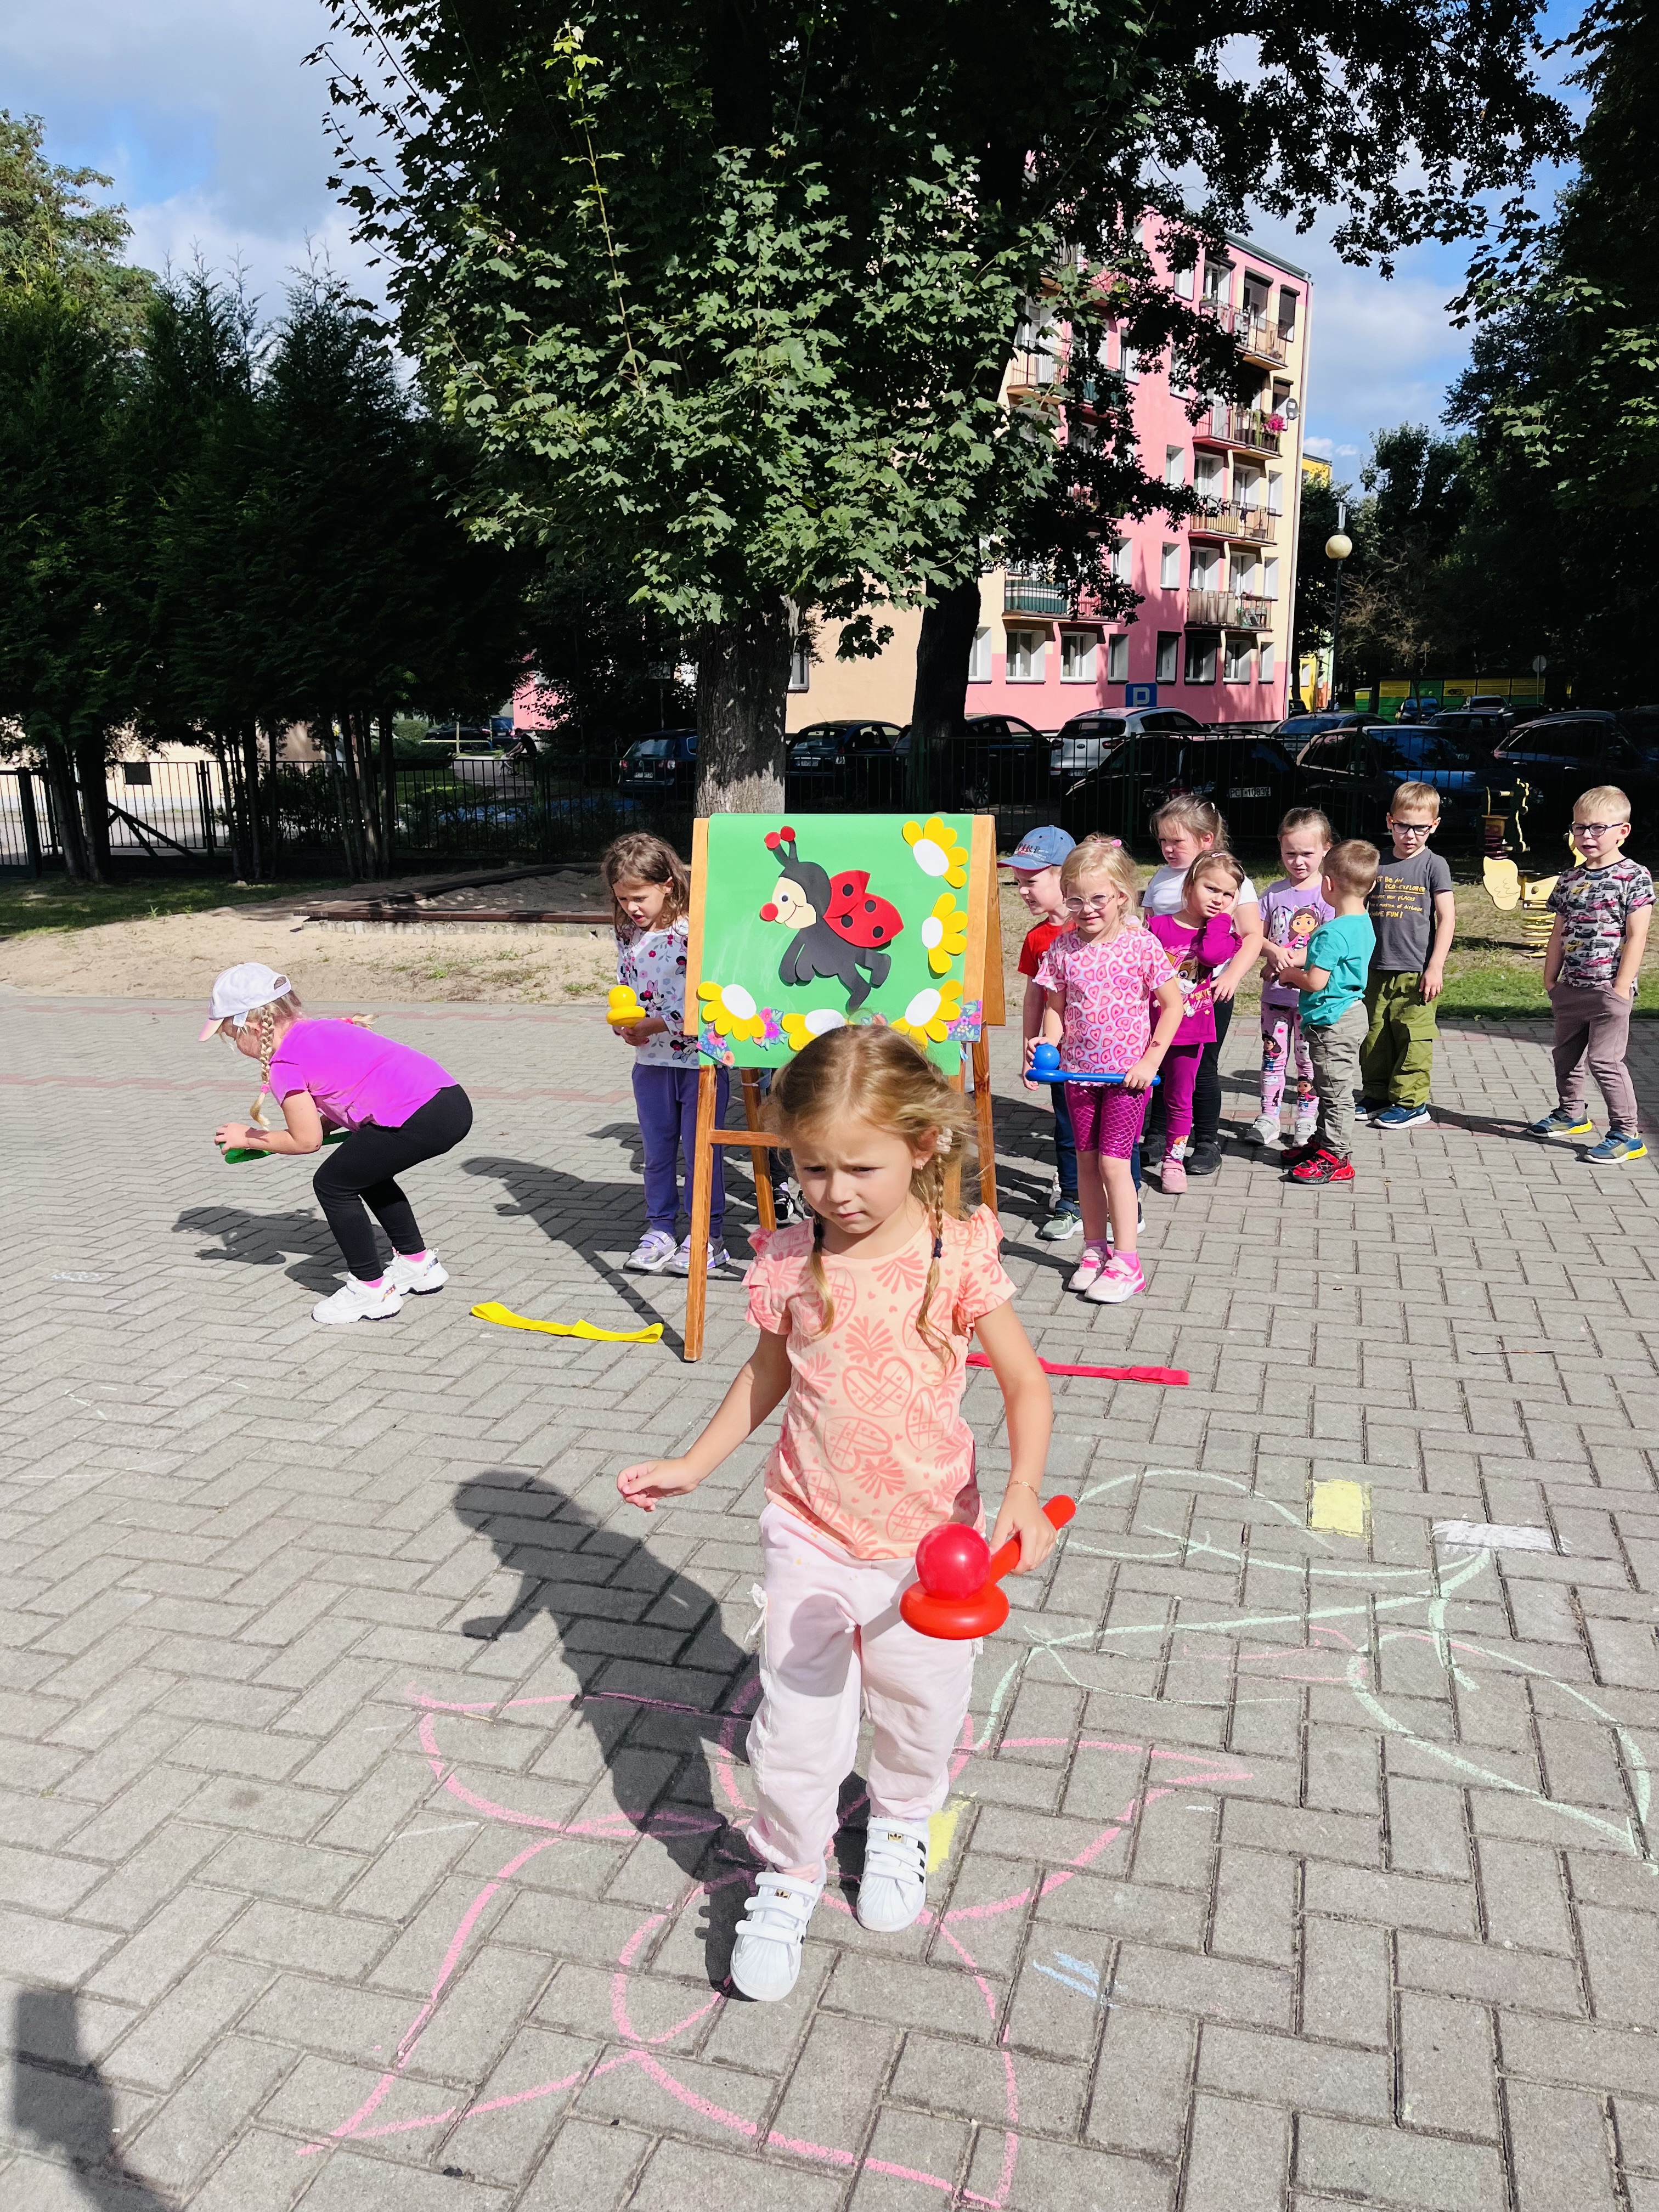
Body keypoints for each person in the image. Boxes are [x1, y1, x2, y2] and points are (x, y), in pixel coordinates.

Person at [616, 1026, 1056, 2001]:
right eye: (812, 1167)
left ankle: (899, 1819)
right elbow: (766, 1372)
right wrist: (695, 1462)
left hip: (929, 1546)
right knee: (795, 1723)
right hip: (809, 1527)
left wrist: (1023, 1491)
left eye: (860, 1167)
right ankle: (789, 1867)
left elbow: (1026, 1383)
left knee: (919, 1706)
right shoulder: (789, 1257)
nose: (835, 1191)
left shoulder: (955, 1252)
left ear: (922, 1145)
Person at [204, 963, 473, 1324]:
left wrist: (249, 1137)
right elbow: (348, 1091)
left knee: (333, 1184)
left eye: (231, 1037)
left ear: (252, 1029)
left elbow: (306, 1141)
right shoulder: (323, 1029)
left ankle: (370, 1290)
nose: (237, 1048)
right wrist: (314, 1127)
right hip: (448, 1102)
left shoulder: (285, 1064)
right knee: (363, 1172)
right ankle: (417, 1265)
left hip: (418, 1116)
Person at [1036, 837, 1182, 1301]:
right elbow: (1055, 1007)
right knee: (1084, 1162)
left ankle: (1128, 1261)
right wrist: (1048, 1043)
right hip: (1078, 1074)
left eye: (1098, 898)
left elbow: (1173, 1005)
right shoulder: (1062, 950)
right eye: (1075, 900)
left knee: (1113, 1164)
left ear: (1121, 895)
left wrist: (1150, 1060)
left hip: (1127, 1078)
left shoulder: (1141, 945)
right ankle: (1094, 1250)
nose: (1087, 910)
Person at [601, 832, 728, 1277]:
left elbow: (707, 997)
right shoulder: (627, 931)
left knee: (700, 1155)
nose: (632, 907)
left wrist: (660, 1023)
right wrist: (624, 1023)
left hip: (700, 1063)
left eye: (639, 897)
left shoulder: (695, 930)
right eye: (623, 898)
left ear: (668, 885)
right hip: (651, 1064)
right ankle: (659, 1229)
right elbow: (626, 987)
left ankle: (708, 1235)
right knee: (657, 1153)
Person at [1141, 798, 1265, 1175]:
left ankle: (1207, 1141)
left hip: (1207, 995)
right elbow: (1148, 932)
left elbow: (1252, 935)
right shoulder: (1161, 879)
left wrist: (1231, 977)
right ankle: (1158, 1136)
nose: (1168, 848)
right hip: (1162, 997)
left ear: (1206, 839)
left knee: (1203, 1068)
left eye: (1177, 841)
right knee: (1162, 1062)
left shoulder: (1231, 880)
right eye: (1163, 841)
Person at [1529, 786, 1652, 1164]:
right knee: (1565, 1057)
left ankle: (1626, 1133)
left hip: (1608, 989)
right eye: (1579, 828)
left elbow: (1637, 935)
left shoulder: (1634, 876)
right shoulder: (1569, 879)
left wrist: (1620, 987)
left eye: (1598, 828)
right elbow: (1558, 933)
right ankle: (1571, 1113)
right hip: (1570, 987)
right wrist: (1551, 981)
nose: (1587, 836)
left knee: (1605, 1062)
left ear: (1622, 831)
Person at [1265, 839, 1380, 1187]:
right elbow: (1333, 964)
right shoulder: (1362, 923)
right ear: (1370, 885)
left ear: (1327, 884)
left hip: (1333, 1022)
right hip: (1350, 1014)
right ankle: (1322, 1142)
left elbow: (1315, 980)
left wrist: (1289, 975)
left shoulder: (1331, 932)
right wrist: (1293, 961)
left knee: (1335, 1092)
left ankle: (1336, 1155)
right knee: (1327, 1084)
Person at [1358, 782, 1457, 1130]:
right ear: (1390, 821)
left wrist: (1436, 967)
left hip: (1417, 972)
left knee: (1413, 1037)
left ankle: (1411, 1103)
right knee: (1374, 1034)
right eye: (1402, 826)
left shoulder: (1434, 865)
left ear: (1434, 826)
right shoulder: (1377, 863)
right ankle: (1376, 1094)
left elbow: (1447, 918)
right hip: (1375, 968)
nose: (1410, 835)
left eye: (1420, 828)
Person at [1145, 854, 1244, 1193]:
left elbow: (1211, 956)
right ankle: (1124, 1154)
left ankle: (1174, 1161)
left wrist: (1223, 920)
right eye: (1211, 889)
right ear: (1189, 885)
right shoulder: (1157, 927)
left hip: (1190, 1031)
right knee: (1137, 1092)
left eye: (1228, 894)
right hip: (1147, 1027)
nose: (1219, 899)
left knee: (1180, 1098)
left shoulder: (1222, 935)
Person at [1007, 824, 1082, 1240]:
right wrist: (1028, 1052)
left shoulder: (1095, 926)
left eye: (1031, 881)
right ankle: (1071, 1199)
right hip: (1060, 1054)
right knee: (1067, 1127)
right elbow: (1034, 998)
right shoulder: (1037, 938)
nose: (1023, 891)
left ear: (1063, 876)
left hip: (1105, 1052)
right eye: (1018, 882)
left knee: (1111, 1132)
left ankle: (1122, 1198)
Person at [1253, 808, 1334, 1149]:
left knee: (1307, 1061)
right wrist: (1272, 951)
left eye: (1307, 853)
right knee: (1273, 1058)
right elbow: (1253, 936)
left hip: (1311, 999)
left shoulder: (1330, 895)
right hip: (1275, 996)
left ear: (1326, 849)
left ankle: (1306, 1118)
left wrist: (1287, 962)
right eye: (1290, 853)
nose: (1298, 861)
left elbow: (1328, 945)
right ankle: (1268, 1117)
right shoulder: (1273, 894)